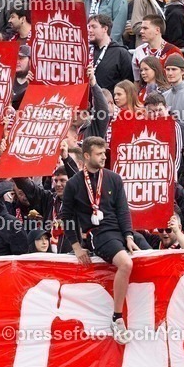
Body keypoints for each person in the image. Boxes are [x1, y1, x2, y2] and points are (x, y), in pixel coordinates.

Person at [61, 136, 138, 343]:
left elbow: (123, 210)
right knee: (126, 263)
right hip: (98, 233)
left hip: (120, 231)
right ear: (86, 156)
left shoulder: (114, 178)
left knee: (148, 251)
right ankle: (117, 318)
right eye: (99, 154)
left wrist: (129, 235)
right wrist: (76, 247)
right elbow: (66, 217)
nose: (104, 157)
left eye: (104, 153)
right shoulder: (74, 184)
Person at [88, 14, 134, 94]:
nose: (90, 30)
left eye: (94, 27)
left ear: (105, 29)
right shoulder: (86, 51)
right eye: (89, 27)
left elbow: (128, 84)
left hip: (110, 100)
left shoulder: (121, 53)